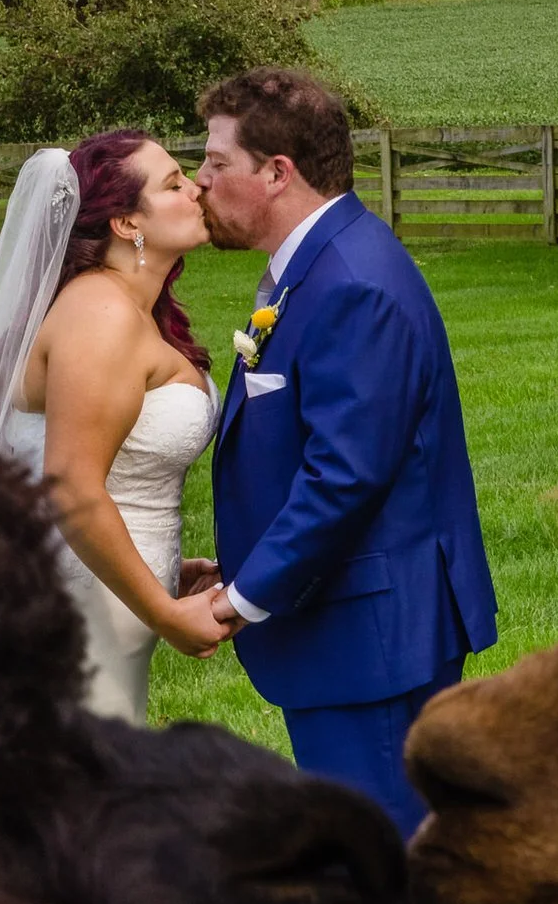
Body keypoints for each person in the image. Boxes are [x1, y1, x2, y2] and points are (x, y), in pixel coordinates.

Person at [193, 69, 499, 836]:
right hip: (352, 624)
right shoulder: (315, 264)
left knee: (385, 860)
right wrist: (236, 565)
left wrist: (240, 599)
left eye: (216, 162)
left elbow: (346, 477)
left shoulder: (351, 283)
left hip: (374, 637)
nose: (199, 180)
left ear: (276, 172)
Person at [0, 129, 231, 724]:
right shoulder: (100, 313)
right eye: (173, 184)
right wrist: (164, 611)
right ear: (127, 223)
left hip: (108, 598)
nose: (196, 188)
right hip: (79, 614)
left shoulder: (127, 308)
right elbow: (71, 486)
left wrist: (164, 567)